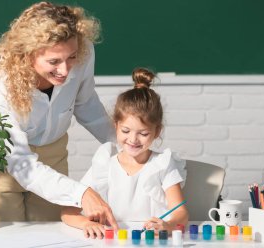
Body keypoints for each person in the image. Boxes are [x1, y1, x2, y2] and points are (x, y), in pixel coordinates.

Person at [0, 1, 117, 229]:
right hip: (4, 164)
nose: (65, 70)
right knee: (3, 236)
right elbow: (20, 162)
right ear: (28, 54)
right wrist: (81, 193)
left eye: (71, 57)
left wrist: (127, 147)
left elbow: (86, 104)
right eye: (53, 61)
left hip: (53, 156)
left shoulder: (82, 50)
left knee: (51, 236)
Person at [61, 67, 189, 239]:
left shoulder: (163, 164)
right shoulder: (105, 161)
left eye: (143, 133)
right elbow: (68, 212)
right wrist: (87, 223)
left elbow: (181, 213)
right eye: (126, 131)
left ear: (157, 131)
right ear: (116, 126)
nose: (133, 140)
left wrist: (168, 226)